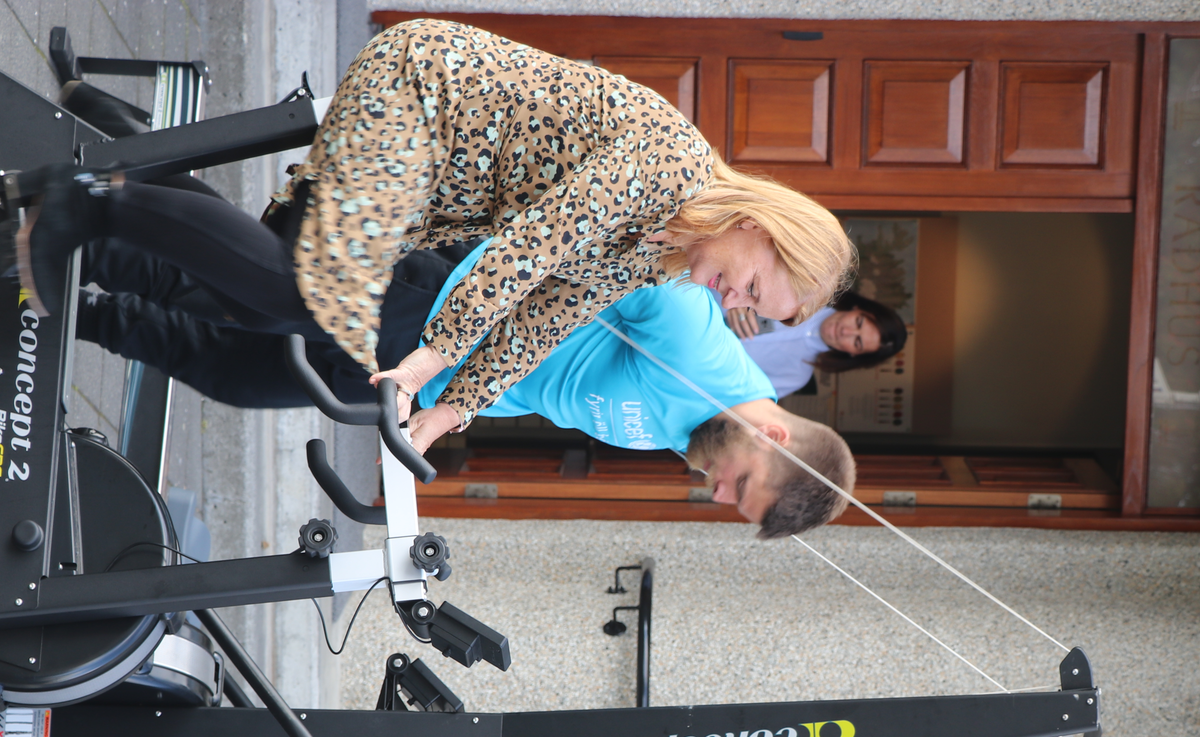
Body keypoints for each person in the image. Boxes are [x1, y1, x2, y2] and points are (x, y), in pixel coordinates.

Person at [13, 18, 853, 436]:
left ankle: (117, 159)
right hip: (424, 94)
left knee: (263, 302)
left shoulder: (660, 252)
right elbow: (521, 258)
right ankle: (85, 201)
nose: (735, 303)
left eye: (753, 309)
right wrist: (426, 361)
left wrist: (453, 410)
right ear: (757, 225)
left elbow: (542, 318)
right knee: (302, 294)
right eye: (753, 284)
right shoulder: (669, 170)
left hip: (430, 180)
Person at [79, 238, 855, 537]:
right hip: (431, 308)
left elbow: (545, 382)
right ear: (774, 436)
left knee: (233, 373)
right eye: (739, 486)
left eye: (730, 502)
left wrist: (452, 411)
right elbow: (581, 255)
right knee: (223, 291)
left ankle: (74, 311)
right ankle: (71, 238)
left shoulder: (694, 438)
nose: (717, 492)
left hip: (424, 378)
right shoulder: (691, 337)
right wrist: (453, 372)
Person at [724, 290, 907, 399]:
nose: (846, 331)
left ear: (854, 354)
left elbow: (735, 399)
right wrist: (739, 296)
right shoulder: (802, 289)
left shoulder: (796, 376)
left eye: (857, 342)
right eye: (858, 322)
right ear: (857, 309)